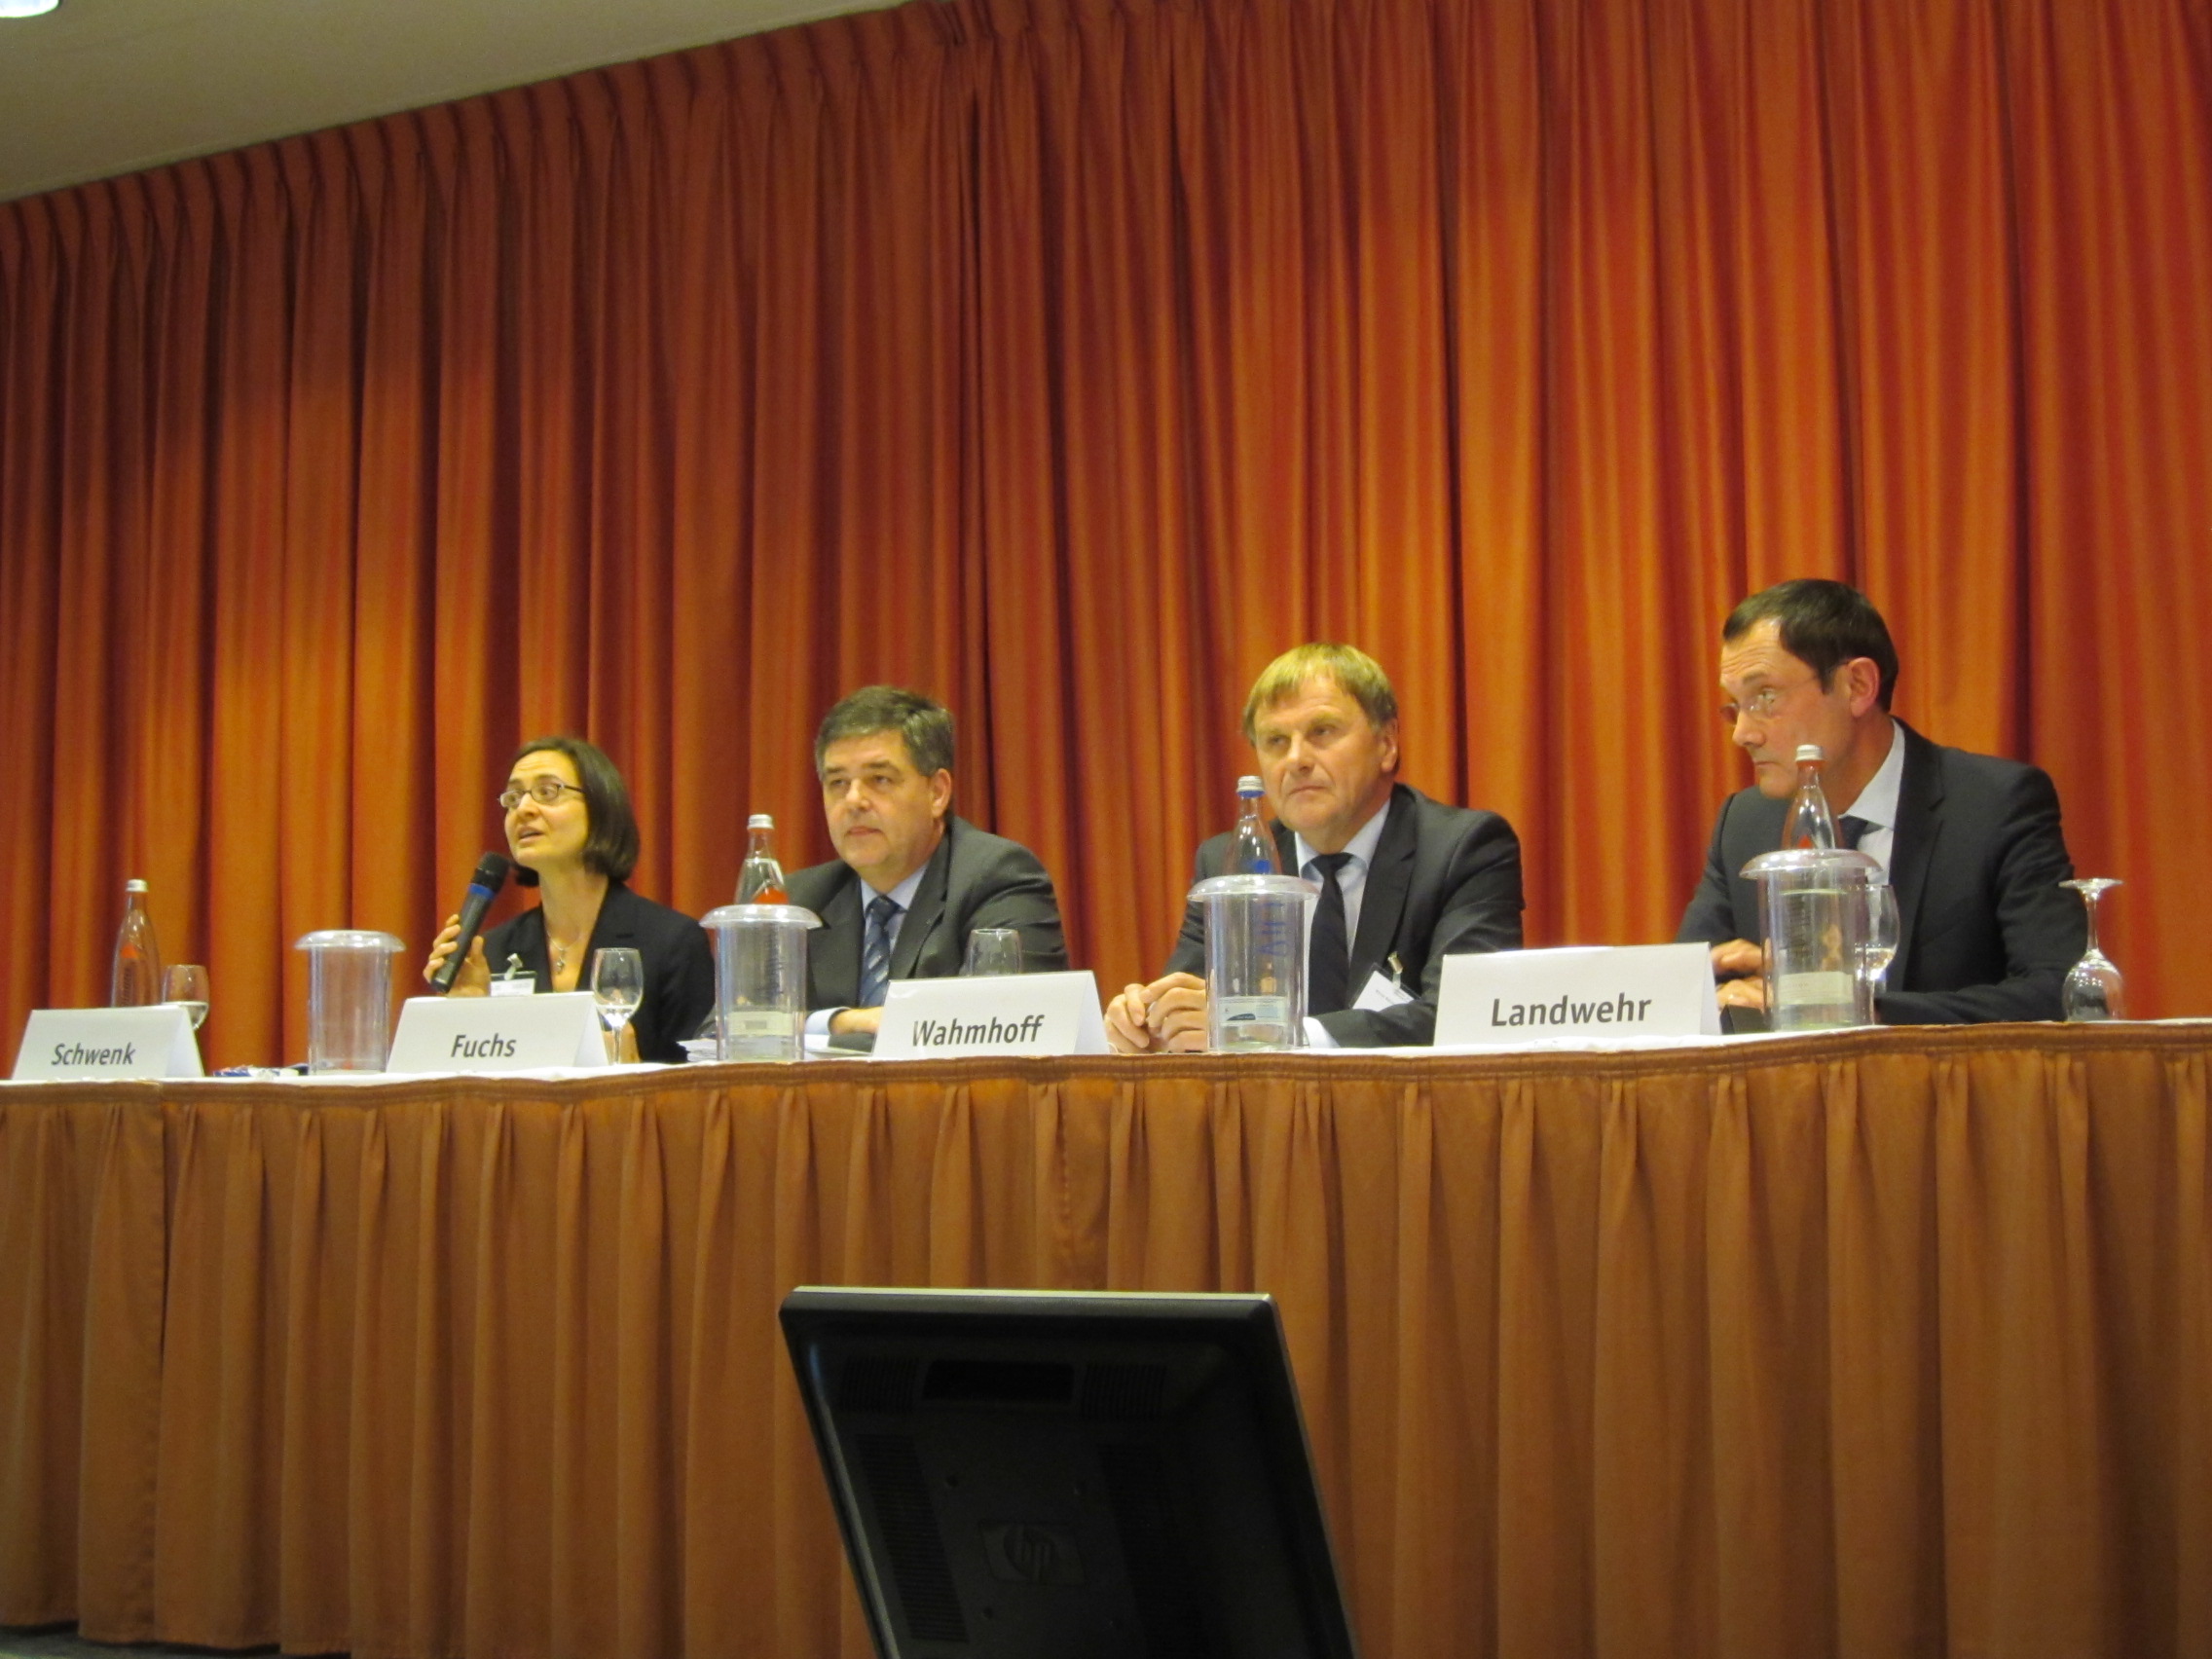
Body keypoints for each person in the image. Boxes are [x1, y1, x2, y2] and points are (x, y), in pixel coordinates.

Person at [1677, 578, 2083, 1023]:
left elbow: (2060, 989)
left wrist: (1856, 1013)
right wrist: (1701, 993)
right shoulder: (1743, 824)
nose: (1743, 734)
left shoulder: (1992, 804)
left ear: (1857, 685)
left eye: (1766, 697)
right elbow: (1681, 997)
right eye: (1735, 707)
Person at [1107, 644, 1524, 1051]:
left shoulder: (1461, 849)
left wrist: (1285, 1036)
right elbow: (1191, 1008)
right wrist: (1152, 1023)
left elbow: (1465, 1016)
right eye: (1275, 740)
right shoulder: (1231, 864)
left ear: (1386, 743)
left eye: (1322, 732)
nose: (1296, 759)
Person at [787, 686, 1068, 1039]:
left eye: (880, 779)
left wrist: (811, 1027)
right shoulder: (798, 903)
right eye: (838, 782)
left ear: (937, 792)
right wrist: (842, 1022)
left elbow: (1014, 1020)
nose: (854, 800)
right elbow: (738, 1024)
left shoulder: (999, 877)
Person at [423, 735, 715, 1062]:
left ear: (600, 808)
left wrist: (634, 1073)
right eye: (513, 798)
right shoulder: (493, 953)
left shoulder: (671, 942)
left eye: (548, 792)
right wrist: (473, 1011)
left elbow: (701, 1083)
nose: (524, 809)